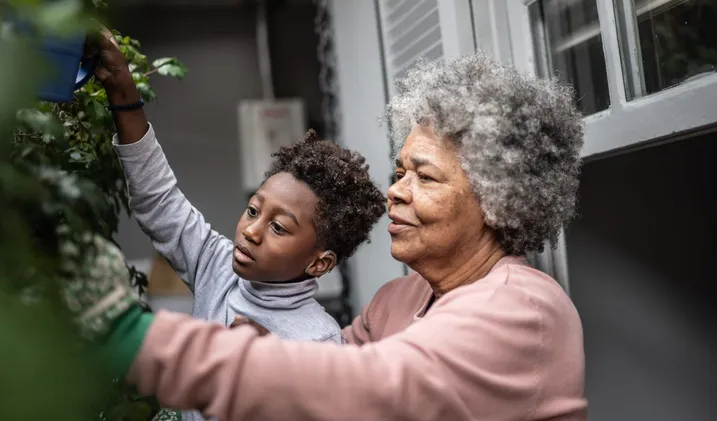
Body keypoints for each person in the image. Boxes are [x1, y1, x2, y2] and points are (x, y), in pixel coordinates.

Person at [64, 52, 587, 421]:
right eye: (400, 172)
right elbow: (328, 366)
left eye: (424, 178)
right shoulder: (396, 301)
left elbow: (367, 390)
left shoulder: (523, 308)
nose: (395, 194)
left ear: (498, 200)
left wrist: (132, 338)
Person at [92, 28, 386, 421]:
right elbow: (160, 203)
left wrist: (270, 377)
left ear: (319, 263)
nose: (250, 231)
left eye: (278, 228)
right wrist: (123, 94)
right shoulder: (220, 269)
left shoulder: (318, 342)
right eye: (252, 210)